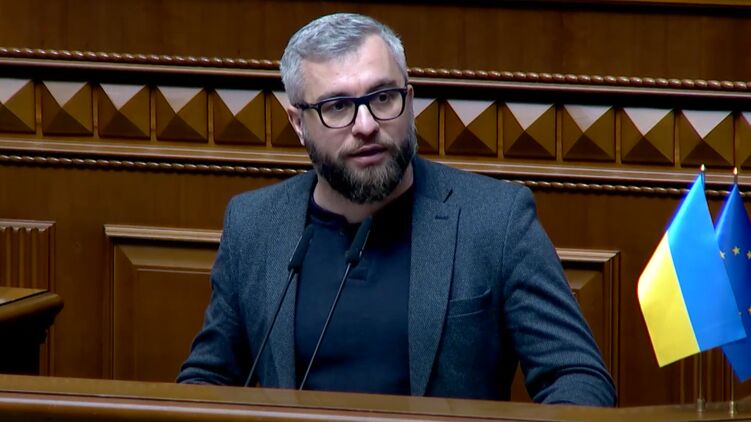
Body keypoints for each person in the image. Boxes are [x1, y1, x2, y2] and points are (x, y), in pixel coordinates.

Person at [177, 12, 615, 406]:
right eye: (337, 107)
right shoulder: (254, 225)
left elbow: (577, 378)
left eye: (383, 97)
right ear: (297, 122)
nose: (366, 125)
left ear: (410, 98)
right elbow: (208, 379)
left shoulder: (496, 220)